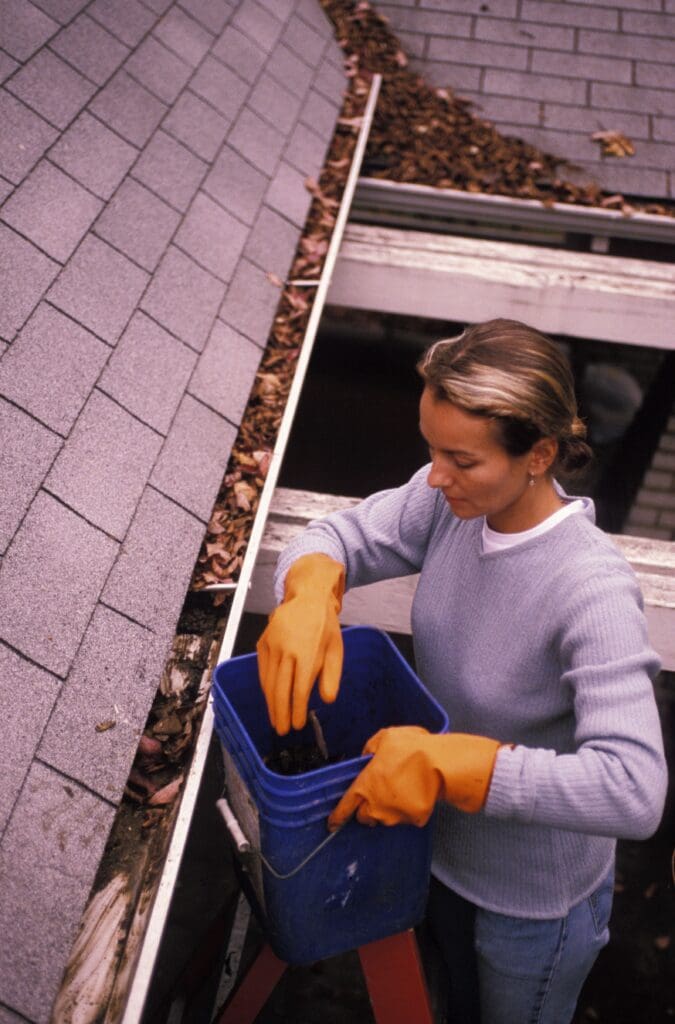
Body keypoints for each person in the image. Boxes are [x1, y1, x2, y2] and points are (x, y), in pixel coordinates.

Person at [256, 318, 667, 1024]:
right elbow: (340, 533)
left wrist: (462, 768)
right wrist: (310, 587)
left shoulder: (588, 588)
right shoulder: (452, 503)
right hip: (432, 850)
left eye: (462, 459)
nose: (435, 474)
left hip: (529, 905)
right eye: (431, 449)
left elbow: (633, 790)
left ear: (538, 454)